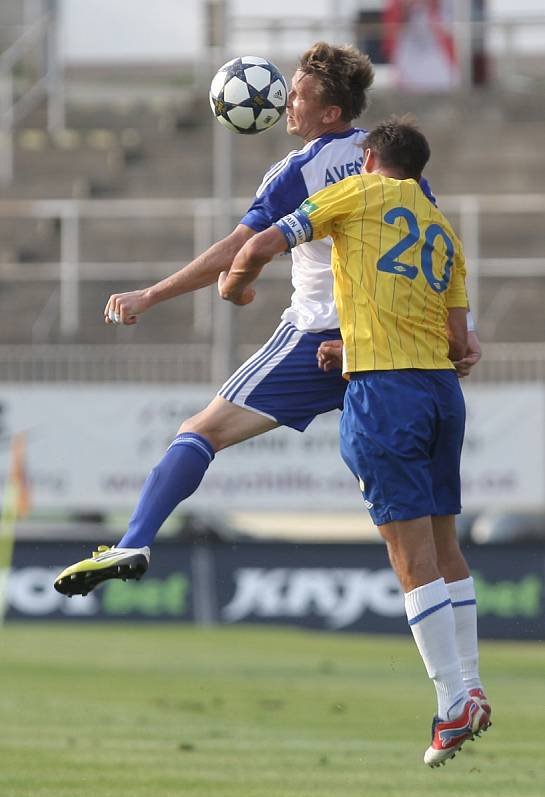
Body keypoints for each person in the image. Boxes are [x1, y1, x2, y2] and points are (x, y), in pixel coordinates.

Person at [53, 41, 480, 591]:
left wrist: (152, 295)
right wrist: (462, 331)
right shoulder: (398, 169)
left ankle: (133, 541)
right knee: (436, 540)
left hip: (317, 336)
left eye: (298, 96)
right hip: (394, 345)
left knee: (201, 431)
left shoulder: (299, 170)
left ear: (331, 112)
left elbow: (241, 247)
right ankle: (461, 676)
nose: (286, 104)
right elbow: (434, 250)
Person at [218, 117, 490, 767]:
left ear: (367, 159)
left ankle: (452, 702)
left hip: (384, 395)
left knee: (410, 554)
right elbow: (461, 345)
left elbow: (261, 243)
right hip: (438, 394)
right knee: (445, 544)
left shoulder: (355, 193)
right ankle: (472, 687)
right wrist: (359, 337)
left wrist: (234, 286)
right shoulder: (442, 231)